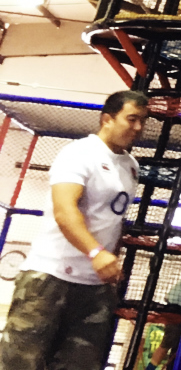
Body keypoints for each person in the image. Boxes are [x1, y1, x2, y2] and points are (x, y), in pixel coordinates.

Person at [0, 88, 149, 370]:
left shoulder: (130, 166)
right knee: (20, 363)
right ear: (107, 119)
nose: (138, 127)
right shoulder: (80, 153)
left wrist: (109, 260)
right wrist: (96, 252)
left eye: (143, 120)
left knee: (80, 365)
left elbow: (112, 219)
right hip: (50, 277)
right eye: (132, 119)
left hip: (94, 286)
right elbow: (64, 210)